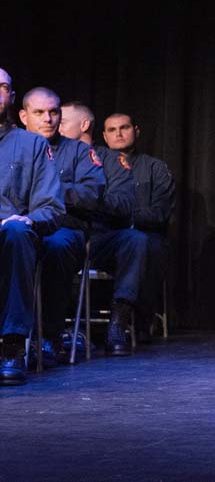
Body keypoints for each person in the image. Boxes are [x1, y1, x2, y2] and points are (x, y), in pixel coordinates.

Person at [18, 88, 105, 365]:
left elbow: (92, 195)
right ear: (23, 116)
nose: (48, 119)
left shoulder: (79, 151)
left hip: (62, 229)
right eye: (39, 113)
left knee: (55, 246)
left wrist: (49, 191)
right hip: (21, 226)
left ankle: (48, 336)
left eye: (54, 112)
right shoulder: (12, 147)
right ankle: (13, 339)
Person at [0, 68, 65, 385]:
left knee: (16, 232)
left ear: (11, 98)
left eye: (1, 87)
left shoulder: (32, 145)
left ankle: (12, 346)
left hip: (10, 236)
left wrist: (29, 218)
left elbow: (51, 207)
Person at [59, 101, 137, 355]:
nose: (54, 125)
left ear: (84, 125)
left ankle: (119, 321)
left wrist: (87, 199)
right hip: (63, 234)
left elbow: (124, 204)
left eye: (62, 122)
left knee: (135, 240)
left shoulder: (112, 161)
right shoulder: (53, 155)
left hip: (98, 238)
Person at [98, 112, 175, 355]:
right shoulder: (96, 164)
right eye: (112, 130)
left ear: (136, 131)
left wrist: (126, 216)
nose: (118, 134)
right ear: (103, 135)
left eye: (124, 127)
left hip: (144, 235)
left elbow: (160, 213)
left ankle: (130, 320)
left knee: (144, 244)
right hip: (107, 239)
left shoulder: (155, 168)